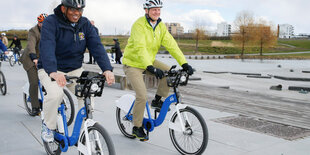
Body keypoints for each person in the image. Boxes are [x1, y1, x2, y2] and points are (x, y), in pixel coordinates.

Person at [37, 0, 115, 142]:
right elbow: (47, 47)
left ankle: (84, 129)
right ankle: (48, 125)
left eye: (79, 10)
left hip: (75, 69)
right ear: (63, 9)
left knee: (88, 93)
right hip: (51, 68)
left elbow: (96, 46)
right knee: (55, 95)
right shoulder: (51, 22)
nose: (76, 13)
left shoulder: (84, 24)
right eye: (72, 10)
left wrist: (107, 69)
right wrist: (53, 72)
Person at [122, 0, 194, 141]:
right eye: (154, 9)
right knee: (142, 96)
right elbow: (140, 47)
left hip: (149, 61)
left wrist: (184, 63)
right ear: (146, 11)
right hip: (133, 63)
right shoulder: (139, 25)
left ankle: (157, 100)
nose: (157, 12)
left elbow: (172, 45)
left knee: (170, 72)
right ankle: (136, 127)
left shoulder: (160, 26)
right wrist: (150, 68)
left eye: (159, 9)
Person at [20, 13, 48, 116]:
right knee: (34, 82)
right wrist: (34, 57)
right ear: (38, 23)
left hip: (41, 59)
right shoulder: (33, 31)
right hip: (30, 59)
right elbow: (31, 44)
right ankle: (35, 107)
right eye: (41, 23)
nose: (43, 25)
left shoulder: (49, 31)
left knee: (49, 79)